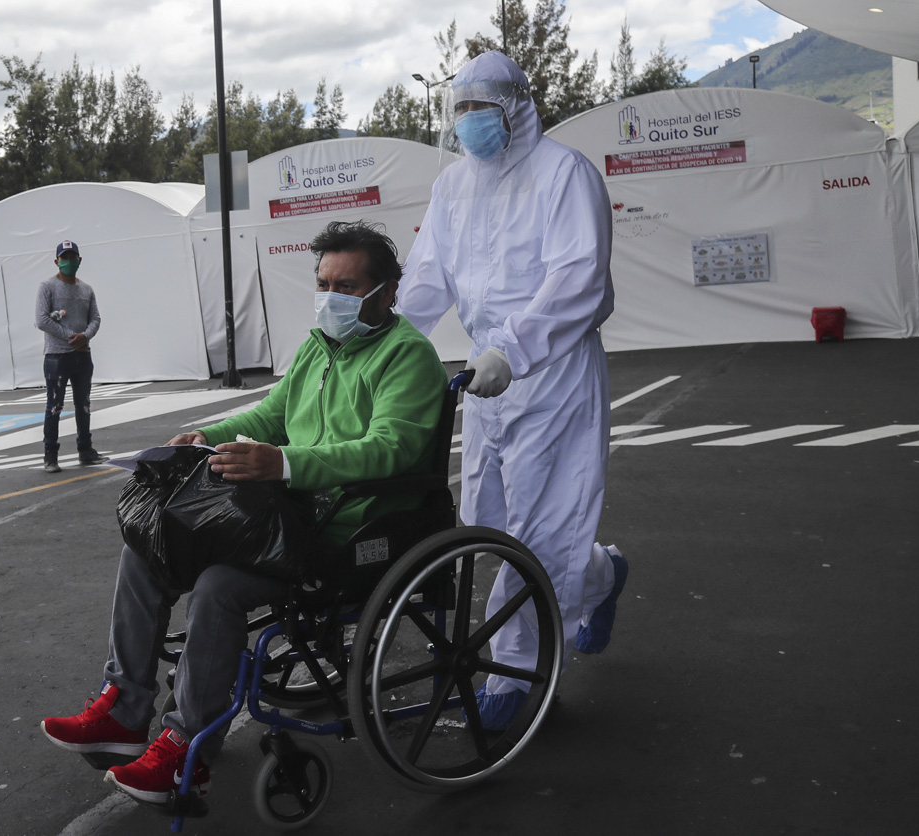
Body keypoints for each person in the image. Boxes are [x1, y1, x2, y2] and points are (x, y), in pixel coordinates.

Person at [40, 220, 446, 804]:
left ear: (388, 292)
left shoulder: (407, 356)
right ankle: (125, 710)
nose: (331, 297)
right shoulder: (319, 346)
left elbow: (390, 449)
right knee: (149, 545)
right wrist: (207, 433)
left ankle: (186, 749)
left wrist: (282, 465)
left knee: (219, 586)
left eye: (348, 286)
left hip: (352, 529)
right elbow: (268, 416)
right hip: (289, 517)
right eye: (324, 283)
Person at [399, 51, 629, 728]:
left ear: (518, 106)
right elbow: (427, 276)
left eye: (483, 108)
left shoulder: (565, 174)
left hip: (552, 374)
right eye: (460, 109)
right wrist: (381, 340)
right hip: (486, 381)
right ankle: (605, 575)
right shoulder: (453, 188)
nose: (470, 122)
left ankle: (518, 670)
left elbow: (579, 280)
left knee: (545, 527)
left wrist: (516, 347)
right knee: (490, 526)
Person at [34, 240, 106, 473]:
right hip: (56, 356)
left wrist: (85, 336)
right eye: (64, 258)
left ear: (79, 260)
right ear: (56, 262)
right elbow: (42, 320)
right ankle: (50, 455)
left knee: (83, 404)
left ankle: (85, 450)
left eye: (72, 257)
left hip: (82, 356)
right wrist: (69, 336)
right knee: (54, 406)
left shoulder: (86, 289)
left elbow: (95, 318)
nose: (69, 262)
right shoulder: (47, 287)